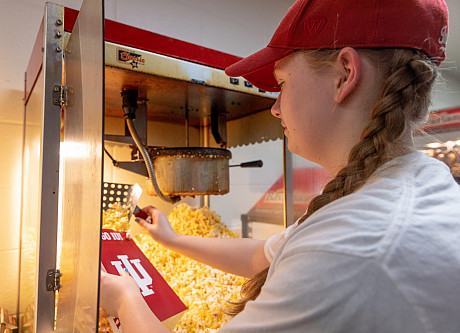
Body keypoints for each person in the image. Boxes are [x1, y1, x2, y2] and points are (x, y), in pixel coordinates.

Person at [100, 0, 460, 331]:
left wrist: (124, 296)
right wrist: (173, 239)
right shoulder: (413, 185)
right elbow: (261, 255)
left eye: (282, 83)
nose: (275, 107)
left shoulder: (352, 248)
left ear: (344, 74)